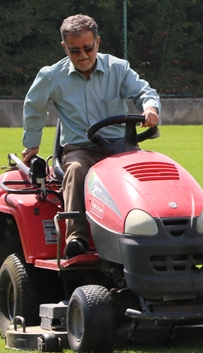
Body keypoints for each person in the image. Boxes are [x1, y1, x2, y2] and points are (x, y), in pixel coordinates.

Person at [21, 14, 161, 258]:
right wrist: (31, 145)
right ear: (64, 47)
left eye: (88, 47)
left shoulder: (118, 68)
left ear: (98, 42)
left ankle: (151, 232)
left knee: (150, 170)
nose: (83, 55)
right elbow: (34, 108)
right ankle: (77, 238)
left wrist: (150, 108)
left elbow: (143, 91)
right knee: (75, 170)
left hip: (121, 147)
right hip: (81, 148)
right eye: (74, 50)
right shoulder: (51, 76)